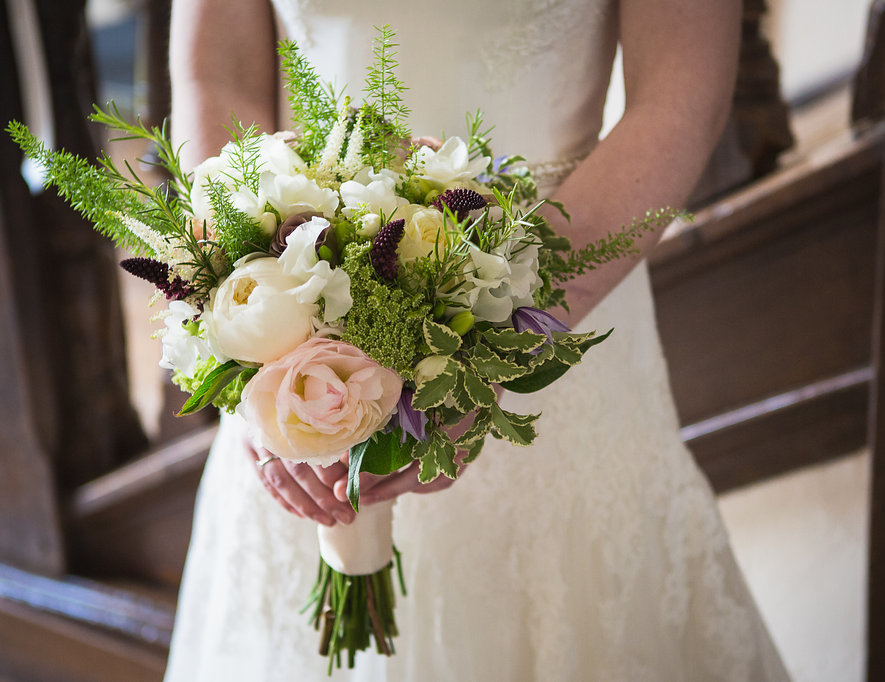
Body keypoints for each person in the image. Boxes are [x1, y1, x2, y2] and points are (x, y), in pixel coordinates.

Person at [164, 0, 791, 679]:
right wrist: (244, 306)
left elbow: (678, 96)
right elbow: (217, 77)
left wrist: (501, 342)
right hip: (297, 290)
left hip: (556, 279)